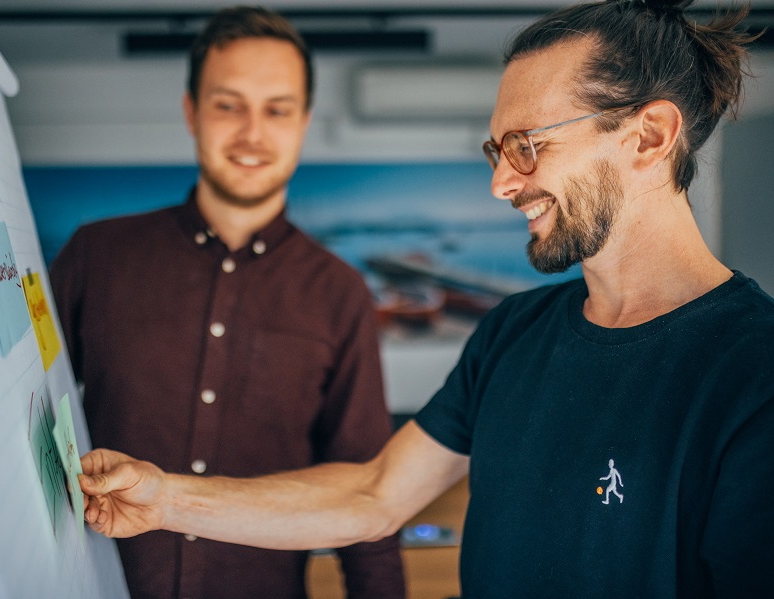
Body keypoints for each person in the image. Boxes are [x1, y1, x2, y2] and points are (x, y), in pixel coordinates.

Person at [77, 1, 774, 597]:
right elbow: (375, 494)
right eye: (497, 151)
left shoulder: (753, 375)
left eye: (527, 146)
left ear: (648, 137)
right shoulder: (512, 332)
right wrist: (164, 498)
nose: (501, 184)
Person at [50, 6, 405, 599]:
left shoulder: (339, 293)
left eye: (277, 109)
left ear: (303, 122)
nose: (252, 133)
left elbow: (365, 493)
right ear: (192, 111)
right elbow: (28, 423)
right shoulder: (95, 256)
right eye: (228, 105)